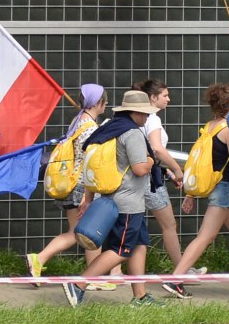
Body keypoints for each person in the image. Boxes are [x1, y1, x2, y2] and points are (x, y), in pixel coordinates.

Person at [62, 90, 163, 308]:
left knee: (138, 246)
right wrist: (152, 161)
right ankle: (78, 285)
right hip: (128, 204)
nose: (147, 117)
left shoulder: (110, 128)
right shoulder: (132, 133)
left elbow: (94, 164)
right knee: (121, 250)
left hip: (117, 199)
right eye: (145, 113)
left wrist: (89, 197)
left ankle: (140, 297)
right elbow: (139, 168)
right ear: (135, 112)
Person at [162, 83, 229, 299]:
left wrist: (190, 193)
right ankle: (175, 280)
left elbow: (201, 163)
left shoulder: (211, 126)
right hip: (222, 188)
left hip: (219, 187)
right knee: (205, 236)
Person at [26, 84, 106, 288]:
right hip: (81, 186)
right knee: (85, 232)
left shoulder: (78, 121)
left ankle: (92, 278)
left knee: (83, 232)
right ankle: (41, 258)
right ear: (98, 103)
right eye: (104, 101)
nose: (106, 104)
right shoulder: (90, 128)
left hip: (70, 184)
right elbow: (90, 160)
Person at [133, 78, 207, 276]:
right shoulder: (153, 119)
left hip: (137, 177)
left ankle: (115, 272)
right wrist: (177, 169)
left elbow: (146, 151)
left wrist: (167, 172)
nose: (169, 99)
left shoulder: (136, 117)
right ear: (153, 97)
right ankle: (181, 270)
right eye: (165, 95)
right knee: (169, 225)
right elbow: (157, 149)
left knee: (129, 225)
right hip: (149, 181)